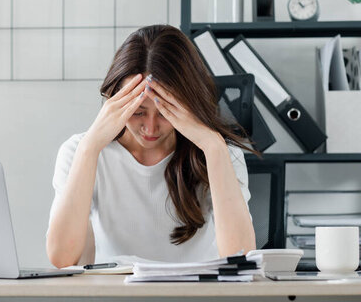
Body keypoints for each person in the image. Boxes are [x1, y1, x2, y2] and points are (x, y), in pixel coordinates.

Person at [46, 25, 256, 268]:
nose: (151, 127)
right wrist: (89, 148)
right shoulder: (79, 151)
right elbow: (61, 258)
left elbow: (240, 257)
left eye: (166, 112)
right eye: (138, 112)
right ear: (114, 102)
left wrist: (214, 147)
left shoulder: (222, 153)